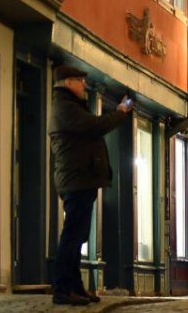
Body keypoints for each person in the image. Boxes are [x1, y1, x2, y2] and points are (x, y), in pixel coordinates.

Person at [48, 65, 132, 306]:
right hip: (76, 179)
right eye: (79, 81)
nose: (84, 85)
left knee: (77, 236)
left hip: (81, 179)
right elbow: (95, 126)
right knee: (72, 236)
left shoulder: (69, 106)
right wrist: (120, 112)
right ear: (67, 83)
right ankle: (62, 289)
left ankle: (74, 287)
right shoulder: (65, 108)